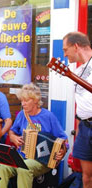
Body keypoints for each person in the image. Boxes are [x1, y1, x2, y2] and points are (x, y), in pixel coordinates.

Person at [0, 83, 68, 188]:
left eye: (26, 100)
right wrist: (13, 137)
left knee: (24, 167)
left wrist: (62, 151)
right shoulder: (22, 115)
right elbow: (12, 131)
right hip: (22, 156)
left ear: (36, 100)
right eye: (22, 100)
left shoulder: (48, 116)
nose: (23, 104)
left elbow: (63, 139)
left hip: (41, 160)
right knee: (2, 166)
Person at [63, 31, 92, 188]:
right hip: (85, 126)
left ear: (76, 46)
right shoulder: (78, 72)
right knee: (86, 176)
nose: (65, 54)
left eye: (65, 49)